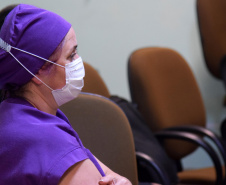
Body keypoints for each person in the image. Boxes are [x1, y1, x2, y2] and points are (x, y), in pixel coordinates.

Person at [0, 4, 132, 185]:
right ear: (38, 71)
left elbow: (108, 175)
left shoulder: (22, 115)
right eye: (71, 55)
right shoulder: (43, 138)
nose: (79, 62)